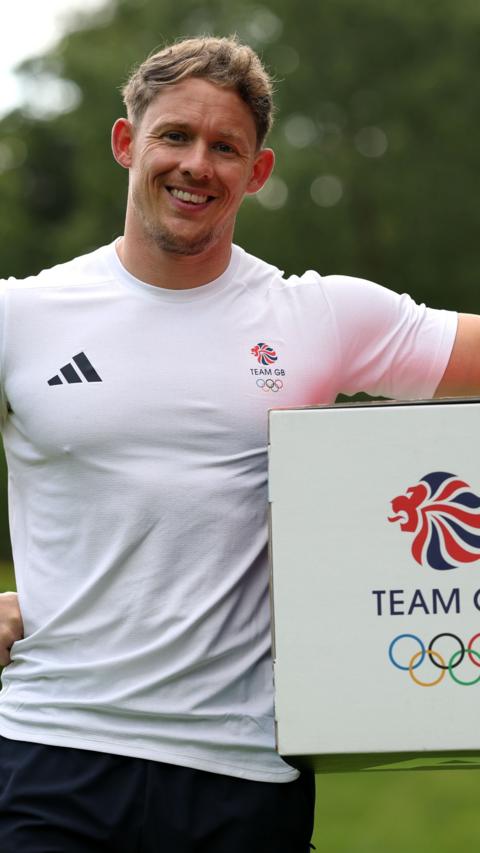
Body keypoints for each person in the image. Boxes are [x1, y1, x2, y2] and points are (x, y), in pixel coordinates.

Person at [0, 34, 478, 853]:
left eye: (227, 147)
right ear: (127, 143)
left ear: (256, 172)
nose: (197, 165)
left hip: (244, 770)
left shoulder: (318, 317)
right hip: (54, 751)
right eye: (175, 136)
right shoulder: (24, 316)